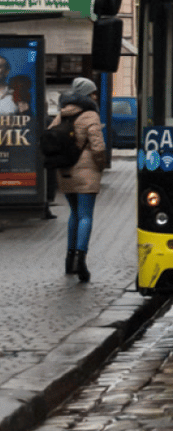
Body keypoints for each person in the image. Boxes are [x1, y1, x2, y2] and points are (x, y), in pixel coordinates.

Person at [47, 77, 107, 283]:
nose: (96, 96)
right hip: (86, 172)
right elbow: (98, 147)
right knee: (85, 216)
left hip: (65, 170)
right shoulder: (90, 115)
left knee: (74, 214)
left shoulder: (62, 114)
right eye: (93, 93)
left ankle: (69, 260)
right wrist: (100, 165)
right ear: (86, 95)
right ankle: (81, 261)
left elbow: (50, 136)